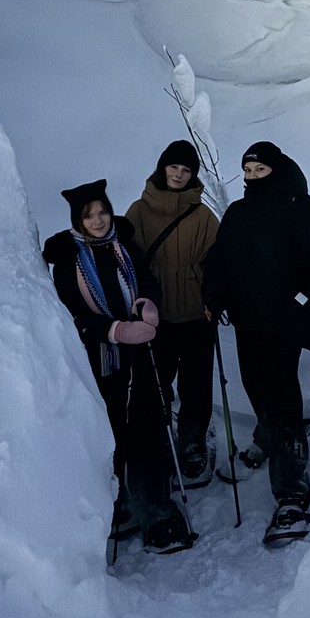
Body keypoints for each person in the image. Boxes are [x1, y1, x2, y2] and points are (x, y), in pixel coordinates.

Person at [202, 142, 310, 543]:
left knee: (279, 391)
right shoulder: (237, 214)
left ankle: (293, 493)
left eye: (260, 170)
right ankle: (269, 435)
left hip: (282, 320)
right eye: (248, 171)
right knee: (254, 384)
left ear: (277, 169)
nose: (253, 177)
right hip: (247, 319)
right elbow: (221, 259)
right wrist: (213, 295)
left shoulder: (296, 205)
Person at [42, 179, 193, 555]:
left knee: (150, 429)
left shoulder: (123, 245)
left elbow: (148, 284)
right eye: (88, 215)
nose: (97, 220)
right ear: (78, 219)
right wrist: (114, 330)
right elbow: (71, 314)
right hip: (100, 361)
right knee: (113, 436)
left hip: (142, 354)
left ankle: (156, 513)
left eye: (102, 211)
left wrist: (147, 306)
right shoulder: (68, 260)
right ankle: (121, 504)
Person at [125, 140, 220, 487]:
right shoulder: (137, 211)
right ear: (162, 168)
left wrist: (217, 297)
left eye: (186, 169)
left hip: (197, 316)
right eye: (173, 167)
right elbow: (126, 259)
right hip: (156, 319)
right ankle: (158, 440)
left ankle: (192, 441)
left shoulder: (203, 215)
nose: (179, 174)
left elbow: (218, 262)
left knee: (197, 385)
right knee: (153, 386)